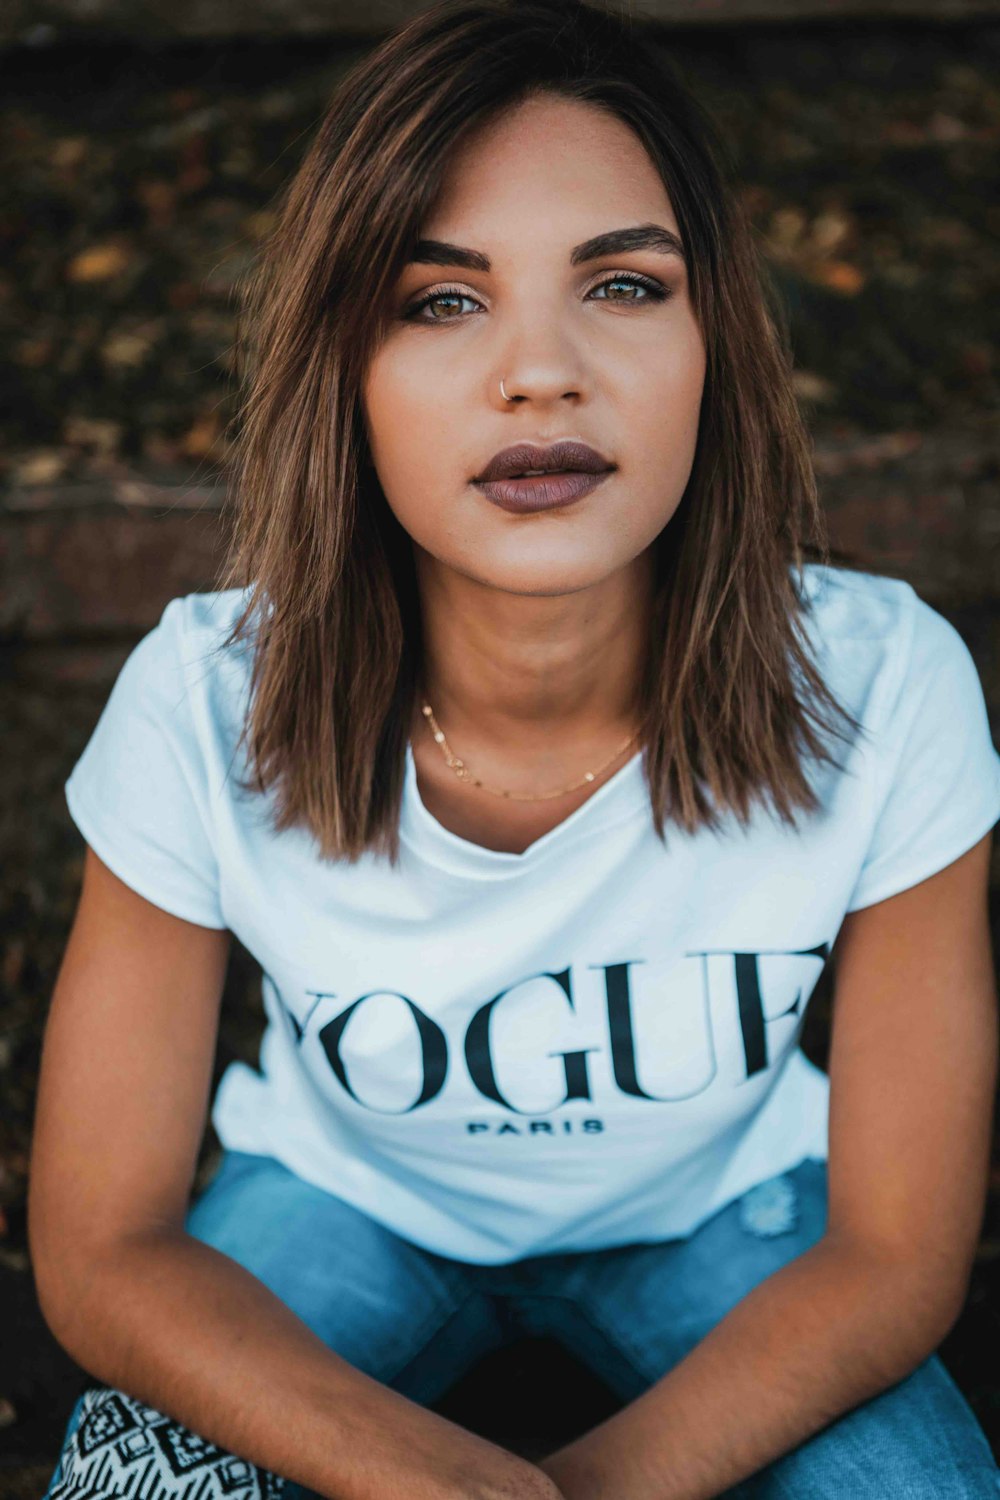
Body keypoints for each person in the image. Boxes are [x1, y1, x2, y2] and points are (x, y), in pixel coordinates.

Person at [29, 0, 1000, 1496]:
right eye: (440, 301)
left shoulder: (885, 688)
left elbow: (896, 1255)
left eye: (621, 283)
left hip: (729, 1222)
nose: (540, 372)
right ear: (341, 374)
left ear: (713, 346)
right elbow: (103, 1251)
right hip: (340, 1206)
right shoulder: (200, 703)